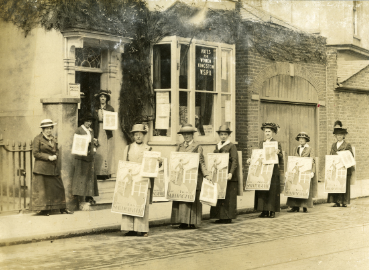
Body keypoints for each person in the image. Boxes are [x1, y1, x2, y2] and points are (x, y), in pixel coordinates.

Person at [121, 124, 158, 237]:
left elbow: (153, 165)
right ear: (133, 136)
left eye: (140, 134)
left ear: (143, 136)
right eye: (136, 134)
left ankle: (142, 229)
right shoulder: (128, 148)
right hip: (131, 180)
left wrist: (158, 162)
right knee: (130, 202)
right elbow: (124, 165)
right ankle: (130, 228)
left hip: (143, 180)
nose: (138, 137)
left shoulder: (149, 149)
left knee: (142, 204)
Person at [171, 123, 211, 229]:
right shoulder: (179, 146)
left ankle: (192, 221)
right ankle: (182, 221)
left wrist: (206, 174)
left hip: (193, 176)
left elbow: (201, 162)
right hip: (181, 176)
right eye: (184, 134)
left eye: (188, 134)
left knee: (192, 200)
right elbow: (175, 160)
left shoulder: (197, 147)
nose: (186, 136)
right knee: (182, 198)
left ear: (192, 135)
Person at [30, 119, 73, 216]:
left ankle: (62, 208)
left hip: (53, 167)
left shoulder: (53, 139)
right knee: (43, 190)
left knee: (59, 188)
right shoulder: (38, 139)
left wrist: (56, 155)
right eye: (47, 129)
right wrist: (48, 157)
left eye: (50, 128)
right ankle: (45, 210)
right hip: (42, 168)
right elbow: (36, 153)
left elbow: (56, 150)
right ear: (43, 129)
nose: (49, 130)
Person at [247, 122, 283, 218]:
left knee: (272, 190)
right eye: (266, 131)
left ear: (273, 133)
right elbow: (259, 155)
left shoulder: (276, 143)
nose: (267, 133)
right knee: (262, 189)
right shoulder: (261, 143)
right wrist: (252, 159)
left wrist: (278, 153)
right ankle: (264, 210)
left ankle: (272, 211)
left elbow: (281, 157)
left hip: (272, 169)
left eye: (269, 131)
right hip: (263, 169)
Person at [210, 125, 239, 224]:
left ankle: (227, 217)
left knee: (228, 196)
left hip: (228, 174)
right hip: (219, 173)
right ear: (219, 135)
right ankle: (220, 216)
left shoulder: (231, 146)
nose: (223, 136)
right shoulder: (217, 145)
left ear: (228, 135)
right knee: (219, 194)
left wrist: (231, 172)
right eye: (221, 134)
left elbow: (235, 160)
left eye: (225, 134)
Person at [72, 113, 99, 206]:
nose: (89, 123)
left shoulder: (91, 131)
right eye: (87, 121)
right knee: (81, 176)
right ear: (84, 121)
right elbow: (76, 143)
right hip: (81, 157)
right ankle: (80, 197)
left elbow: (92, 143)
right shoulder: (79, 130)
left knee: (89, 176)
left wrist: (95, 145)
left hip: (90, 156)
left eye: (90, 121)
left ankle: (89, 196)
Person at [286, 132, 317, 213]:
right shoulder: (296, 148)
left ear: (306, 140)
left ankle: (304, 206)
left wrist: (312, 172)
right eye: (300, 139)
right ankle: (295, 207)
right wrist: (288, 170)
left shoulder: (310, 149)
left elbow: (313, 161)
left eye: (303, 139)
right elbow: (293, 160)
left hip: (305, 171)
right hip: (296, 172)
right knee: (295, 186)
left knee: (304, 187)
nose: (301, 140)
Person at [327, 121, 355, 207]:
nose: (339, 137)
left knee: (344, 184)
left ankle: (344, 202)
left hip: (344, 168)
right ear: (335, 136)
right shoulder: (333, 145)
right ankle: (336, 202)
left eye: (341, 135)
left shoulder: (347, 145)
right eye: (337, 135)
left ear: (344, 136)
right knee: (336, 183)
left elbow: (351, 156)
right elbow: (331, 155)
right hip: (336, 167)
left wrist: (343, 159)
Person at [94, 90, 115, 179]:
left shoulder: (110, 108)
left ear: (106, 99)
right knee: (98, 149)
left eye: (104, 97)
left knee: (106, 151)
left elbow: (113, 120)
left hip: (107, 131)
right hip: (97, 129)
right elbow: (93, 120)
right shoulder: (95, 108)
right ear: (99, 99)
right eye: (101, 97)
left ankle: (106, 173)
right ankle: (98, 172)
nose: (103, 98)